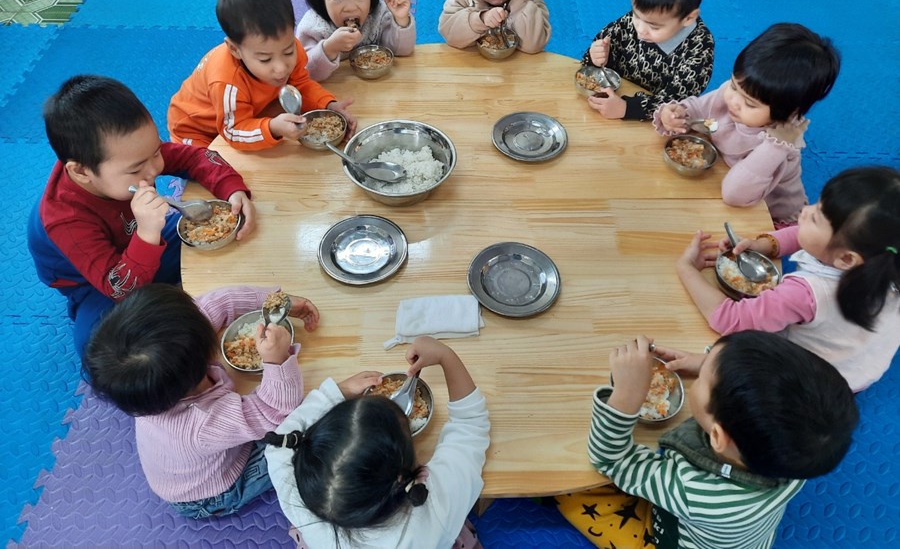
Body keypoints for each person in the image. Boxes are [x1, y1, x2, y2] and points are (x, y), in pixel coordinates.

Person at [558, 332, 858, 549]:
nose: (699, 375)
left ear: (717, 436)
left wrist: (627, 396)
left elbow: (610, 459)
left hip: (678, 538)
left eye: (703, 379)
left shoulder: (694, 492)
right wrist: (706, 363)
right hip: (749, 537)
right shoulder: (803, 447)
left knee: (570, 493)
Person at [27, 75, 255, 354]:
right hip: (91, 282)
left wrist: (232, 189)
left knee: (217, 225)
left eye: (156, 152)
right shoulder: (66, 220)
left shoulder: (132, 155)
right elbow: (118, 287)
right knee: (99, 346)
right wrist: (147, 234)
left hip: (138, 238)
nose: (154, 169)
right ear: (81, 171)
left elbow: (193, 157)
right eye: (136, 170)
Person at [82, 283, 320, 518]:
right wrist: (277, 359)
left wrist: (275, 303)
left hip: (186, 465)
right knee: (305, 443)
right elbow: (275, 410)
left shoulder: (157, 381)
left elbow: (219, 303)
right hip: (209, 494)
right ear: (206, 350)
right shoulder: (203, 422)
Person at [676, 166, 900, 392]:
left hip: (818, 382)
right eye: (816, 204)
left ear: (847, 259)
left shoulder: (804, 294)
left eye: (815, 218)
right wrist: (764, 245)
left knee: (731, 359)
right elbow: (804, 235)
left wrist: (687, 269)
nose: (804, 210)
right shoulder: (885, 257)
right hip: (864, 363)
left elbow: (732, 320)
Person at [265, 336, 489, 548]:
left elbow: (279, 444)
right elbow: (470, 427)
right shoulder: (434, 510)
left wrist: (336, 392)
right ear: (405, 476)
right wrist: (446, 356)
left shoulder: (293, 491)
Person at [655, 23, 840, 226]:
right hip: (726, 175)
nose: (733, 101)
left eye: (750, 104)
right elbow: (698, 110)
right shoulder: (741, 93)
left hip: (771, 214)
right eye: (734, 86)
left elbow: (734, 195)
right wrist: (676, 114)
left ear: (786, 113)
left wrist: (775, 147)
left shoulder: (779, 145)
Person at [167, 0, 357, 150]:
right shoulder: (227, 82)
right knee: (211, 169)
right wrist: (272, 128)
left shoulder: (292, 48)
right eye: (265, 59)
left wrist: (328, 104)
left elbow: (301, 85)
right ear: (235, 49)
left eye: (288, 51)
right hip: (196, 129)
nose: (281, 68)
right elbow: (233, 131)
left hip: (241, 113)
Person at [581, 0, 714, 121]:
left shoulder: (699, 48)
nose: (640, 30)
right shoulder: (635, 20)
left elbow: (678, 103)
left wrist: (627, 108)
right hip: (613, 103)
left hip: (653, 122)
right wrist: (597, 57)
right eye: (636, 15)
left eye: (654, 26)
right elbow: (592, 64)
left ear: (688, 18)